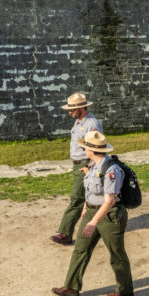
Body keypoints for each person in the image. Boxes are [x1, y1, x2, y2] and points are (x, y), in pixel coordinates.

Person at [52, 130, 134, 296]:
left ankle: (125, 289)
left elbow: (110, 200)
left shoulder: (112, 169)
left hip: (110, 216)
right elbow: (90, 192)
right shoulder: (92, 165)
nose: (83, 150)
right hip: (91, 211)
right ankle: (71, 287)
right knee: (80, 249)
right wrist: (85, 209)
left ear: (91, 149)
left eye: (84, 147)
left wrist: (93, 221)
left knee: (116, 253)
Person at [50, 92, 104, 246]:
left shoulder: (91, 124)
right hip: (78, 164)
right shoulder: (80, 121)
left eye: (72, 109)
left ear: (81, 108)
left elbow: (97, 147)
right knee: (86, 197)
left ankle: (65, 233)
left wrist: (89, 166)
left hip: (84, 164)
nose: (69, 112)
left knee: (77, 199)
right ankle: (100, 222)